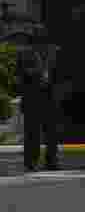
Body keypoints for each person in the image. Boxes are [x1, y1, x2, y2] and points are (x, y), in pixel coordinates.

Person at [9, 23, 61, 172]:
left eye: (42, 33)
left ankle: (52, 161)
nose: (39, 36)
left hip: (50, 95)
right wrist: (33, 73)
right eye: (36, 33)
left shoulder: (54, 51)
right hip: (32, 95)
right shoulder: (25, 53)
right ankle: (31, 162)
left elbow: (62, 72)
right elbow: (19, 74)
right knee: (32, 132)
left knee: (51, 132)